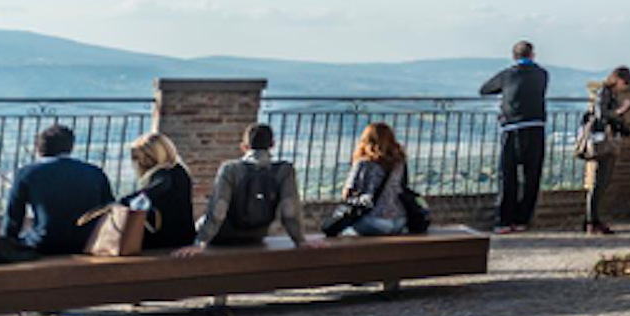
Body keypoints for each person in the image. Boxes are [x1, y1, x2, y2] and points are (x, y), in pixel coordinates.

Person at [180, 122, 319, 253]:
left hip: (224, 236)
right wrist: (300, 240)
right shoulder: (284, 170)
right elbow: (289, 210)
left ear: (244, 147)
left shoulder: (230, 169)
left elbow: (218, 209)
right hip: (257, 234)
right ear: (272, 145)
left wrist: (200, 242)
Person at [3, 123, 118, 256]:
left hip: (44, 244)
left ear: (39, 149)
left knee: (27, 236)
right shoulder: (95, 173)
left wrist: (7, 245)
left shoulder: (27, 174)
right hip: (87, 242)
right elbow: (109, 209)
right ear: (70, 147)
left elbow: (13, 217)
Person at [479, 40, 549, 233]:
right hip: (536, 127)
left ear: (514, 56)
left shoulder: (508, 74)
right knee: (531, 176)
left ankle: (504, 221)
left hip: (512, 127)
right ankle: (523, 220)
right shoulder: (542, 74)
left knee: (508, 175)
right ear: (532, 55)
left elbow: (484, 89)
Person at [328, 122, 412, 237]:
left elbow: (347, 193)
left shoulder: (364, 163)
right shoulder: (399, 163)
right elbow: (403, 188)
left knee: (345, 230)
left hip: (375, 223)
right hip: (399, 222)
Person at [579, 66, 630, 236]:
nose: (624, 87)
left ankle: (594, 220)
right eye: (624, 83)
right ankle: (591, 221)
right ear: (617, 79)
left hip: (605, 140)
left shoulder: (609, 93)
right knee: (599, 182)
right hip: (602, 142)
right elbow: (602, 114)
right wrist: (622, 109)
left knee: (602, 182)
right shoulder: (605, 92)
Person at [120, 131, 197, 250]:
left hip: (164, 243)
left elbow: (157, 188)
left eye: (137, 158)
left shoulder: (164, 173)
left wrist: (123, 202)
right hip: (183, 240)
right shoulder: (179, 170)